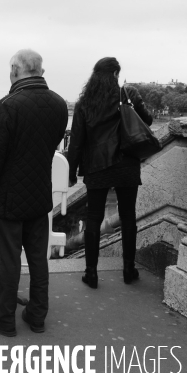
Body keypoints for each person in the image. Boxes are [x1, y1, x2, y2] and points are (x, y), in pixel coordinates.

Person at [0, 49, 68, 337]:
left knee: (8, 259)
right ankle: (37, 315)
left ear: (16, 70)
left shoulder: (9, 106)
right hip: (40, 195)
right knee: (39, 259)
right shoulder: (60, 105)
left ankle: (3, 318)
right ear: (39, 70)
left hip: (8, 198)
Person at [66, 57, 152, 288]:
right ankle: (128, 269)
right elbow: (148, 121)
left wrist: (71, 171)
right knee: (127, 216)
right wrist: (135, 102)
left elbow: (76, 143)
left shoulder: (85, 103)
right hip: (126, 164)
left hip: (96, 166)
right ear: (115, 74)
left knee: (93, 218)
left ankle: (91, 273)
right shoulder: (127, 95)